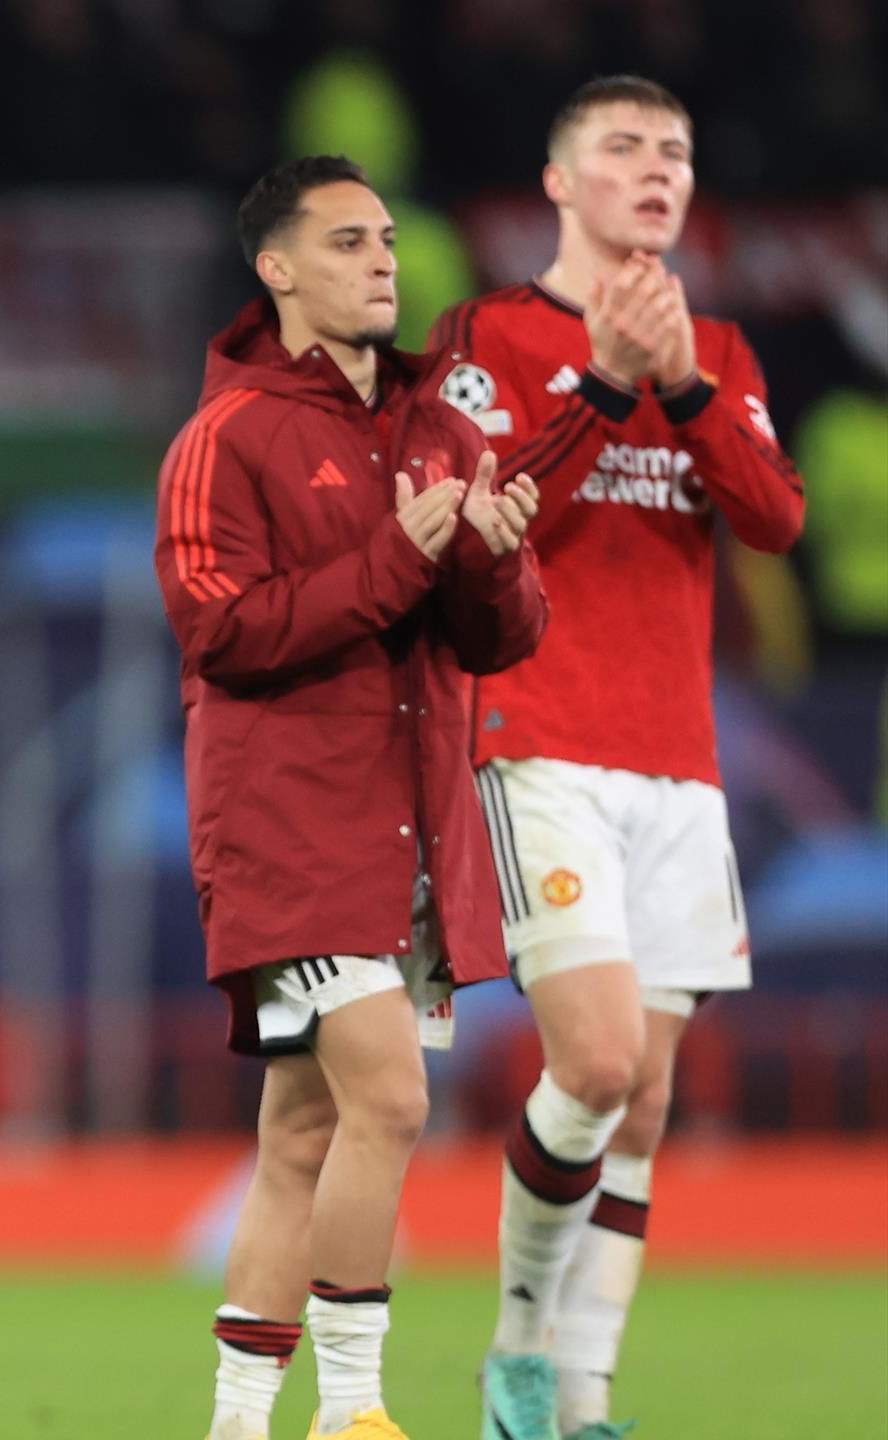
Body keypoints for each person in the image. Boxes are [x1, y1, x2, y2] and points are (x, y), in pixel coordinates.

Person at [423, 77, 804, 1440]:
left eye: (676, 153)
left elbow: (772, 520)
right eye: (625, 148)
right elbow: (481, 522)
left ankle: (583, 1402)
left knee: (640, 1105)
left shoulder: (722, 350)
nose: (656, 170)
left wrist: (683, 384)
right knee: (589, 1065)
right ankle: (519, 1351)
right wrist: (603, 382)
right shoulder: (487, 336)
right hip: (541, 742)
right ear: (558, 180)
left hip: (679, 765)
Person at [155, 156, 547, 1440]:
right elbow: (219, 632)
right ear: (274, 270)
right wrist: (395, 558)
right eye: (345, 242)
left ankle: (235, 1425)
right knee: (390, 1097)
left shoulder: (445, 431)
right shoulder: (226, 437)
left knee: (302, 1133)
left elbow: (500, 640)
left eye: (383, 239)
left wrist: (491, 566)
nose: (381, 259)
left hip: (411, 830)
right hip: (289, 828)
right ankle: (354, 1412)